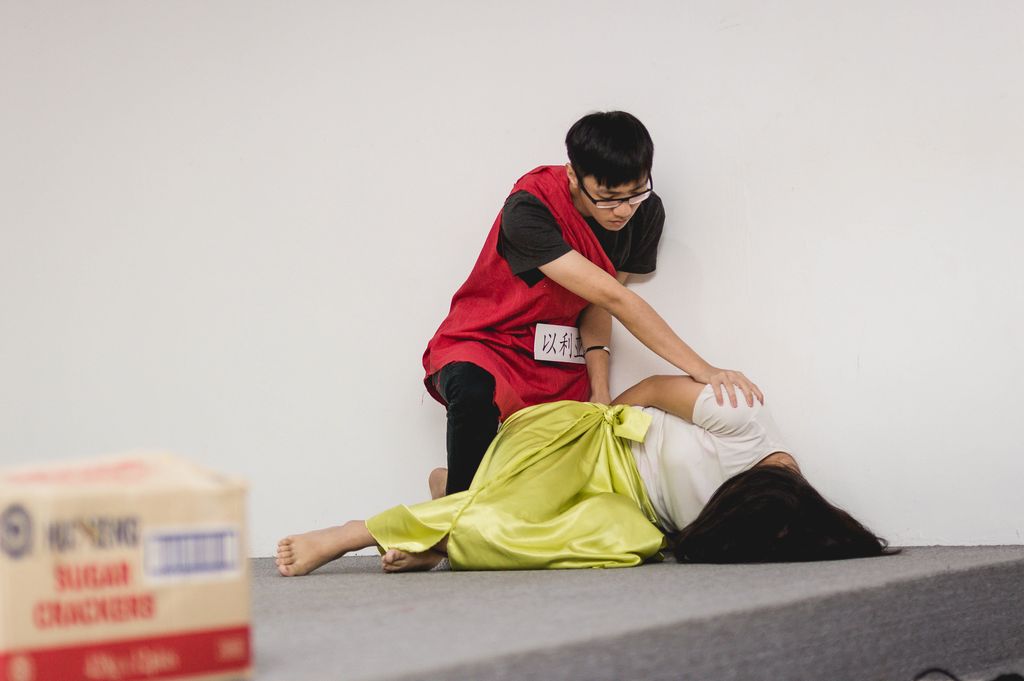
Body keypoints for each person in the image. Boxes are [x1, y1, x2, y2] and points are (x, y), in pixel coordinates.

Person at [424, 111, 764, 496]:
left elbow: (596, 304)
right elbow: (615, 298)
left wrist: (600, 389)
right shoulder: (529, 209)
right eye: (607, 198)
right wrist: (704, 369)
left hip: (555, 362)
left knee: (558, 474)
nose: (623, 210)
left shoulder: (645, 214)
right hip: (487, 342)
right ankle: (455, 507)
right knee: (473, 393)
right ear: (574, 176)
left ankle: (447, 486)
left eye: (635, 193)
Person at [275, 375, 894, 575]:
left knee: (619, 546)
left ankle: (447, 522)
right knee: (513, 511)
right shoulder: (744, 421)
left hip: (629, 505)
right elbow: (654, 389)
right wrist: (592, 424)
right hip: (586, 444)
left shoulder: (768, 526)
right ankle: (355, 532)